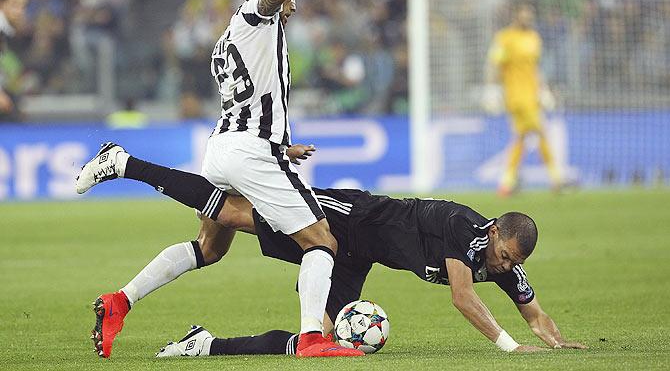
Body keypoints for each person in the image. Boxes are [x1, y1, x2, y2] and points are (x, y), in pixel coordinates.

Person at [76, 0, 363, 359]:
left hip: (226, 149)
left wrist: (282, 148)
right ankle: (312, 339)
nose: (294, 5)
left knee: (207, 249)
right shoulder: (254, 17)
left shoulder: (227, 40)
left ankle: (121, 300)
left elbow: (251, 102)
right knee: (321, 240)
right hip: (248, 153)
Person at [77, 143, 587, 356]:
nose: (503, 267)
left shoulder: (502, 261)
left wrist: (554, 342)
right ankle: (126, 163)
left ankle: (206, 345)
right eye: (504, 256)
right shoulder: (463, 227)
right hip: (349, 217)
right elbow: (462, 298)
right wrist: (510, 348)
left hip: (356, 256)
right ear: (494, 230)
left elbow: (533, 311)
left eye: (512, 264)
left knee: (317, 339)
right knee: (231, 212)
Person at [485, 3, 562, 196]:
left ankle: (506, 183)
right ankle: (556, 179)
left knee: (520, 137)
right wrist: (492, 89)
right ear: (516, 16)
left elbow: (535, 68)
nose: (527, 18)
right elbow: (494, 64)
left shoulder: (534, 38)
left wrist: (543, 90)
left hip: (532, 94)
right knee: (540, 132)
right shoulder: (505, 38)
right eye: (524, 14)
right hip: (516, 96)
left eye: (530, 14)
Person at [0, 0, 28, 122]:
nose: (19, 10)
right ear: (2, 3)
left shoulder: (7, 31)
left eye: (23, 6)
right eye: (14, 4)